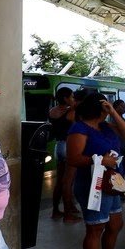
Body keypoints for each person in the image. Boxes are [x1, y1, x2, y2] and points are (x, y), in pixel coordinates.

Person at [67, 93, 125, 249]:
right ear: (97, 108)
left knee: (115, 224)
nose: (107, 110)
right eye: (105, 107)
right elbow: (73, 159)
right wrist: (101, 160)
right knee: (95, 229)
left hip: (112, 184)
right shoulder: (79, 129)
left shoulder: (105, 127)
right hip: (92, 185)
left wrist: (113, 112)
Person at [49, 87, 80, 221]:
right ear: (66, 98)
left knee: (59, 182)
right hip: (68, 146)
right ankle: (68, 214)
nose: (73, 99)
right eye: (71, 97)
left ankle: (55, 210)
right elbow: (75, 128)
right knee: (68, 182)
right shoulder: (70, 113)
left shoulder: (52, 111)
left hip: (58, 146)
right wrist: (74, 107)